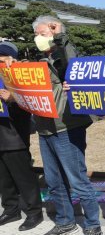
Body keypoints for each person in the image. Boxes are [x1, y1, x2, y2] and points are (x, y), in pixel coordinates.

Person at [31, 15, 101, 235]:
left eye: (42, 34)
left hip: (67, 126)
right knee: (54, 181)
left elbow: (73, 62)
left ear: (53, 34)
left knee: (77, 179)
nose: (38, 39)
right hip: (45, 128)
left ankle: (92, 224)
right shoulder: (40, 62)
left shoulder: (65, 57)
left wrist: (61, 35)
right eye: (36, 35)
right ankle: (65, 221)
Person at [0, 42, 44, 231]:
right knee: (3, 178)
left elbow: (29, 102)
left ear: (11, 59)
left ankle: (34, 212)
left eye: (1, 60)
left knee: (24, 176)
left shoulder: (20, 74)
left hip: (14, 135)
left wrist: (12, 99)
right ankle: (10, 209)